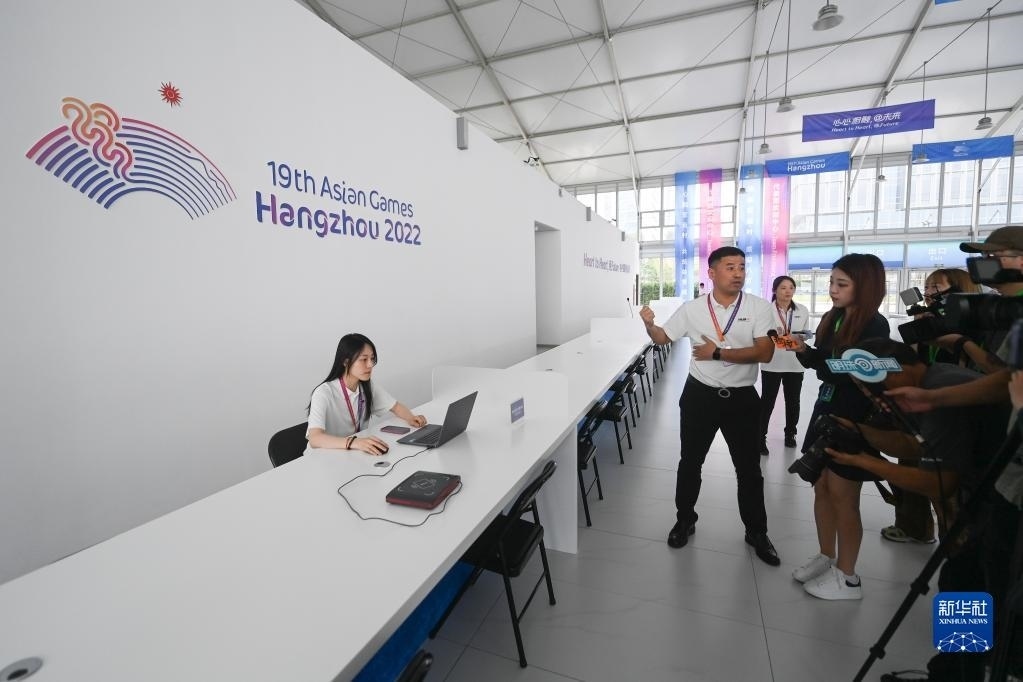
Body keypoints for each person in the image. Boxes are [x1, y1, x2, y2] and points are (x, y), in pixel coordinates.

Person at [639, 246, 780, 566]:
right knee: (690, 462)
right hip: (699, 396)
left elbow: (765, 352)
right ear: (712, 273)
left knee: (749, 469)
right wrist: (649, 325)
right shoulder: (692, 309)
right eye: (730, 267)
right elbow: (663, 338)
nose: (738, 273)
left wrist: (717, 353)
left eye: (742, 267)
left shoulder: (758, 307)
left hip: (743, 399)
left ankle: (757, 531)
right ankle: (684, 520)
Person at [788, 253, 889, 600]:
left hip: (852, 416)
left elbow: (853, 370)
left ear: (866, 286)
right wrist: (804, 351)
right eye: (832, 282)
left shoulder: (874, 325)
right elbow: (826, 363)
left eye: (841, 284)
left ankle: (848, 577)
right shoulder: (834, 318)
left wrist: (821, 363)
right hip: (826, 408)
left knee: (844, 495)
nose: (832, 290)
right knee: (821, 486)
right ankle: (826, 556)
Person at [306, 333, 426, 455]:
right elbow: (315, 438)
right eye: (364, 359)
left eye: (372, 359)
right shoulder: (323, 393)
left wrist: (411, 418)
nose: (370, 365)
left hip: (350, 453)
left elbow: (395, 406)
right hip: (320, 457)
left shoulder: (367, 386)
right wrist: (354, 442)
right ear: (346, 362)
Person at [758, 275, 810, 456]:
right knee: (767, 402)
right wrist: (791, 340)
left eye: (791, 287)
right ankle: (760, 437)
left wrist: (783, 340)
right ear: (774, 290)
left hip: (795, 364)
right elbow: (767, 338)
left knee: (793, 402)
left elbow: (805, 335)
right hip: (772, 363)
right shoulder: (766, 311)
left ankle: (790, 434)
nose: (788, 291)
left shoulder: (802, 310)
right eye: (783, 288)